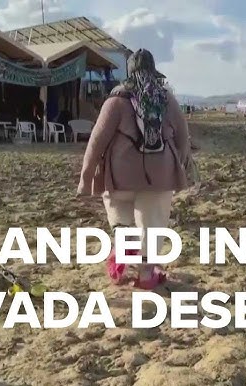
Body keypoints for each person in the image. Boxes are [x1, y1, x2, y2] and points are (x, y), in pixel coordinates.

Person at [77, 48, 191, 290]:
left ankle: (124, 245)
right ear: (153, 71)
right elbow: (182, 137)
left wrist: (86, 179)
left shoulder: (116, 100)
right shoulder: (166, 98)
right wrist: (177, 167)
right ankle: (147, 273)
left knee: (118, 212)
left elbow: (96, 141)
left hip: (120, 175)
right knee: (153, 222)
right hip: (159, 175)